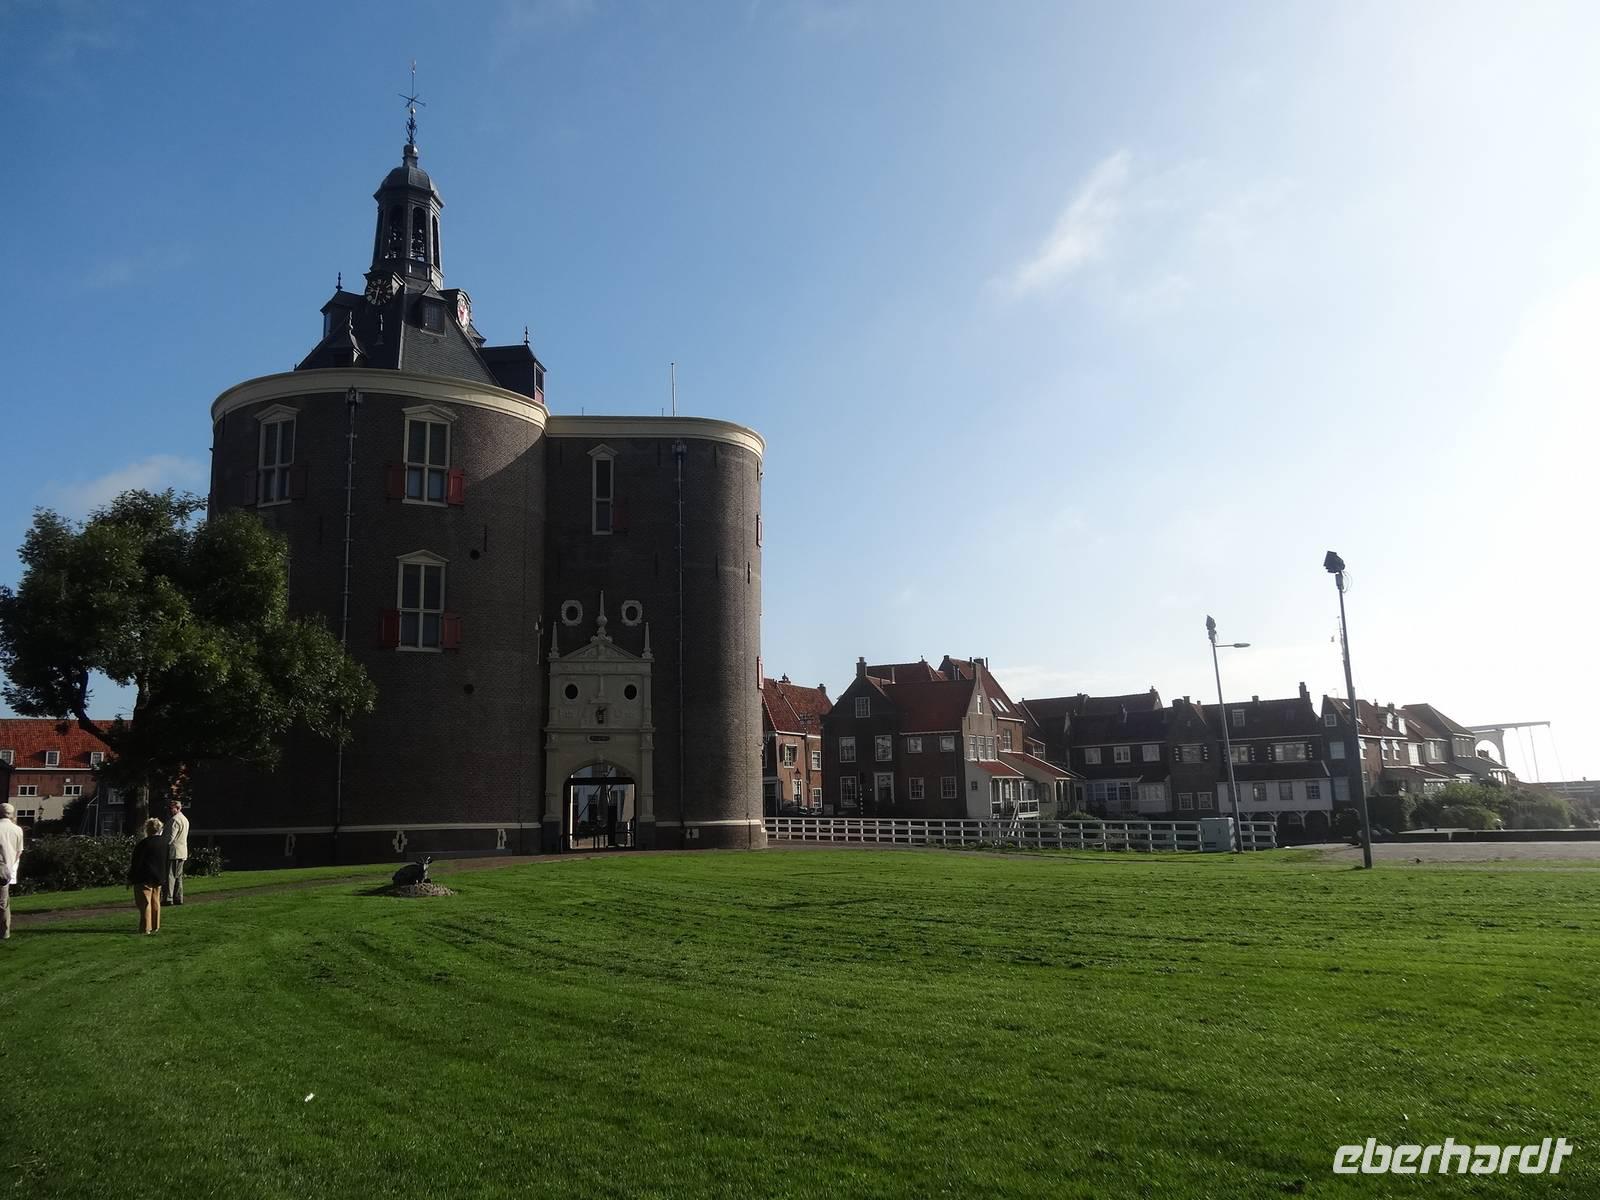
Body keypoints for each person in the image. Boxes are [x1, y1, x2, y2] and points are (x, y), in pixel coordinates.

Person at [129, 817, 167, 935]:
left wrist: (131, 877)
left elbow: (136, 862)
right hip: (159, 876)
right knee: (156, 901)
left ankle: (145, 927)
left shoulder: (143, 844)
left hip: (144, 876)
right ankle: (155, 925)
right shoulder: (164, 843)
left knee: (145, 902)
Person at [0, 802, 23, 941]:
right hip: (6, 868)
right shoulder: (17, 830)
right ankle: (4, 931)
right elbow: (19, 852)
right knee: (3, 902)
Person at [165, 798, 190, 905]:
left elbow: (170, 838)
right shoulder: (185, 819)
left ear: (177, 808)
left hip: (174, 852)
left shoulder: (174, 820)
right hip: (182, 851)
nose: (170, 810)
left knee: (170, 875)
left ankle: (168, 898)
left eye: (171, 808)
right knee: (178, 877)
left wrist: (162, 844)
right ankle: (178, 897)